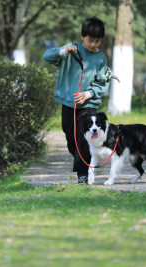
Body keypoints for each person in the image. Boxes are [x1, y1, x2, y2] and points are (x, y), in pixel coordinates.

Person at [43, 17, 114, 184]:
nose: (94, 44)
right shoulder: (70, 50)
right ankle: (84, 159)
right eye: (90, 40)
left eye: (98, 41)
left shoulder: (101, 58)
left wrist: (87, 94)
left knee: (83, 138)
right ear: (82, 36)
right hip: (68, 103)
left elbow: (101, 84)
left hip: (88, 106)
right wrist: (63, 51)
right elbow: (47, 56)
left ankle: (83, 174)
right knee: (70, 135)